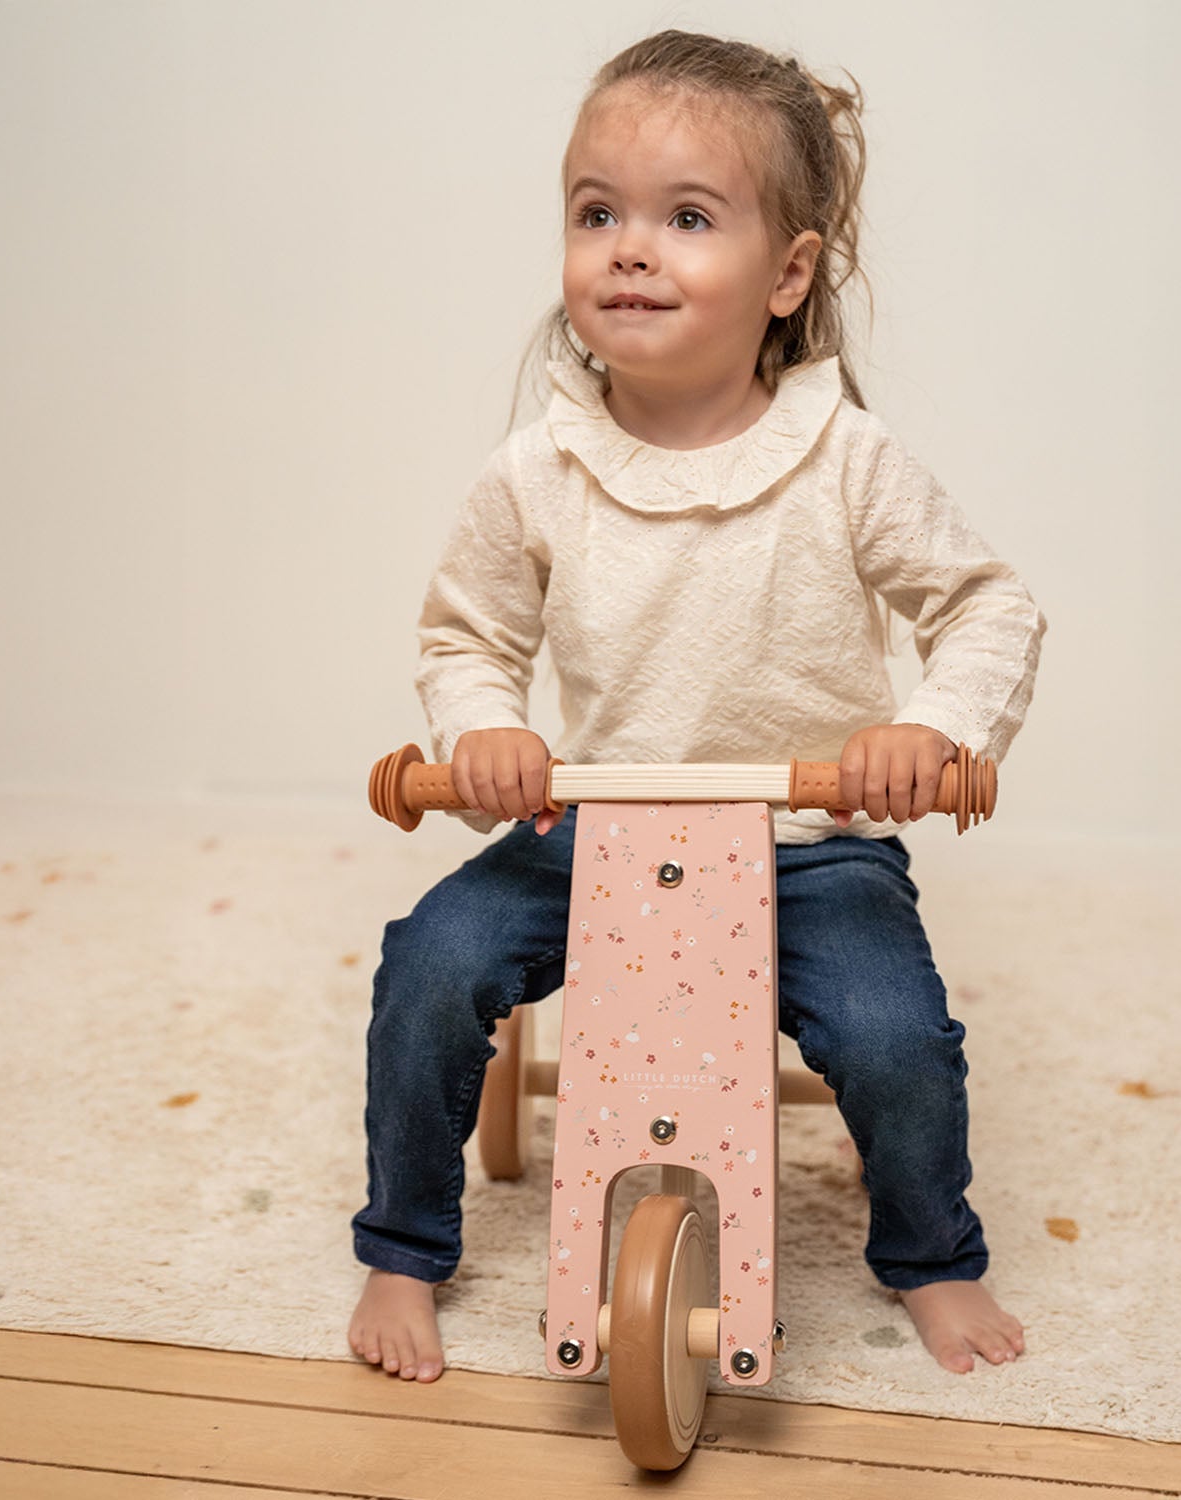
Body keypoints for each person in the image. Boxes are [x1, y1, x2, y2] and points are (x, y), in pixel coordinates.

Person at [349, 29, 1045, 1384]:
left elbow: (987, 606)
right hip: (591, 827)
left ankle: (932, 1255)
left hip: (808, 840)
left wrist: (933, 736)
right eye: (596, 211)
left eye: (685, 218)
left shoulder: (843, 459)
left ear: (787, 275)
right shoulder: (539, 467)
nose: (628, 247)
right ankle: (400, 1245)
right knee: (430, 964)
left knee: (895, 1034)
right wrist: (485, 732)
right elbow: (470, 633)